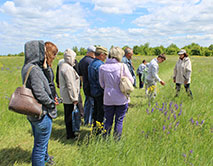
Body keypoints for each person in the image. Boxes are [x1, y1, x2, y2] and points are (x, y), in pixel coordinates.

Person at [22, 40, 57, 166]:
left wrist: (46, 68)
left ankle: (46, 160)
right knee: (40, 147)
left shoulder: (27, 67)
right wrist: (51, 103)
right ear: (37, 52)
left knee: (39, 143)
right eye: (42, 51)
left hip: (32, 112)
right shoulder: (35, 70)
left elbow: (49, 82)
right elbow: (40, 93)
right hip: (41, 113)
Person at [99, 47, 134, 139]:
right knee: (119, 121)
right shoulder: (122, 66)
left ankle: (105, 139)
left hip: (108, 98)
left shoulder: (102, 67)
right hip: (121, 98)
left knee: (108, 120)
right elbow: (131, 81)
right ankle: (116, 140)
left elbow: (102, 84)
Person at [58, 49, 80, 139]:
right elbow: (71, 84)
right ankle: (70, 134)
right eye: (73, 58)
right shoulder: (68, 69)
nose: (74, 60)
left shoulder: (63, 66)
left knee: (68, 114)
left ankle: (70, 132)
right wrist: (74, 98)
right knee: (69, 116)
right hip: (69, 96)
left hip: (65, 95)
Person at [88, 46, 108, 132]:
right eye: (105, 55)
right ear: (102, 55)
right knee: (101, 113)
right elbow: (101, 82)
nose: (106, 57)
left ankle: (95, 128)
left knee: (95, 112)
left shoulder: (91, 64)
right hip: (100, 93)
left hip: (93, 92)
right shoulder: (100, 65)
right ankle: (99, 131)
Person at [78, 46, 96, 125]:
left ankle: (86, 120)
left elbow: (80, 76)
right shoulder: (91, 62)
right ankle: (89, 121)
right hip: (91, 86)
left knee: (87, 103)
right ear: (91, 53)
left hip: (85, 85)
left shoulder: (81, 61)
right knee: (92, 104)